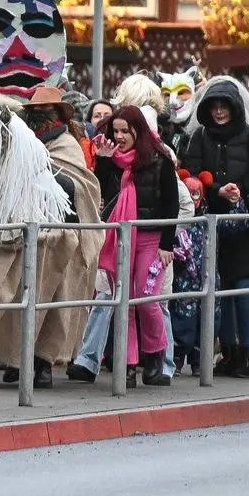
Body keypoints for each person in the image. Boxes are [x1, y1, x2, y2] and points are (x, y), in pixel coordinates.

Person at [0, 104, 91, 388]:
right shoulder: (6, 144)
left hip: (53, 240)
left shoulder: (64, 146)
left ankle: (43, 362)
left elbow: (76, 188)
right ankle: (15, 358)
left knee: (50, 304)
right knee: (9, 302)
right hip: (12, 238)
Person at [180, 76, 249, 372]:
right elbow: (190, 175)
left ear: (235, 107)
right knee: (219, 291)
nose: (219, 112)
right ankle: (228, 352)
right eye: (214, 107)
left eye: (224, 106)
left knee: (245, 289)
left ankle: (247, 356)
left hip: (247, 223)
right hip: (213, 224)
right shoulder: (199, 137)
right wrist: (216, 190)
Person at [94, 106, 180, 388]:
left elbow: (171, 204)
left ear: (137, 131)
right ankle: (128, 364)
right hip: (122, 236)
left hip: (152, 238)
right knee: (125, 301)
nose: (119, 137)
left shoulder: (160, 159)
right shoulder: (111, 160)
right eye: (114, 131)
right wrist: (104, 162)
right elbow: (104, 194)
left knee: (146, 298)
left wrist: (167, 244)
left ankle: (156, 354)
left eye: (124, 131)